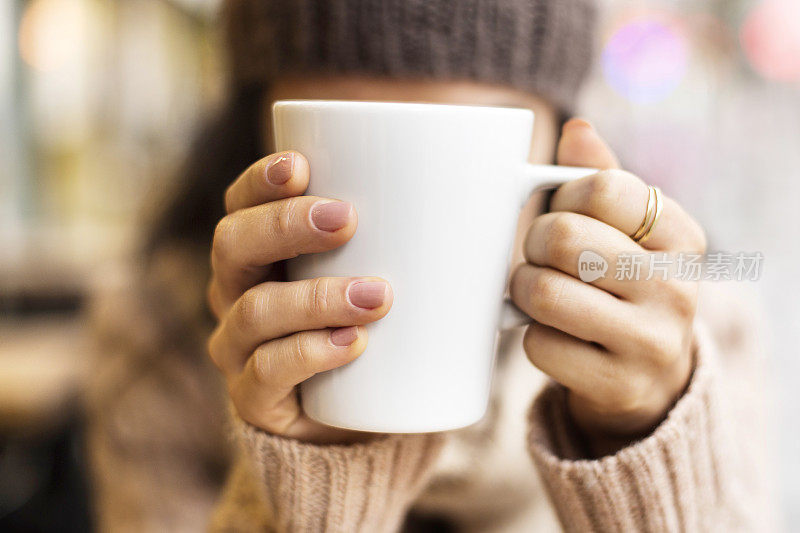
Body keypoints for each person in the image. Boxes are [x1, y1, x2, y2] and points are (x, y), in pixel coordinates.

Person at [85, 0, 775, 531]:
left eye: (457, 158)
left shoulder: (691, 332)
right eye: (348, 148)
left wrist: (646, 445)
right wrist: (309, 493)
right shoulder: (158, 343)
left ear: (551, 150)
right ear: (258, 134)